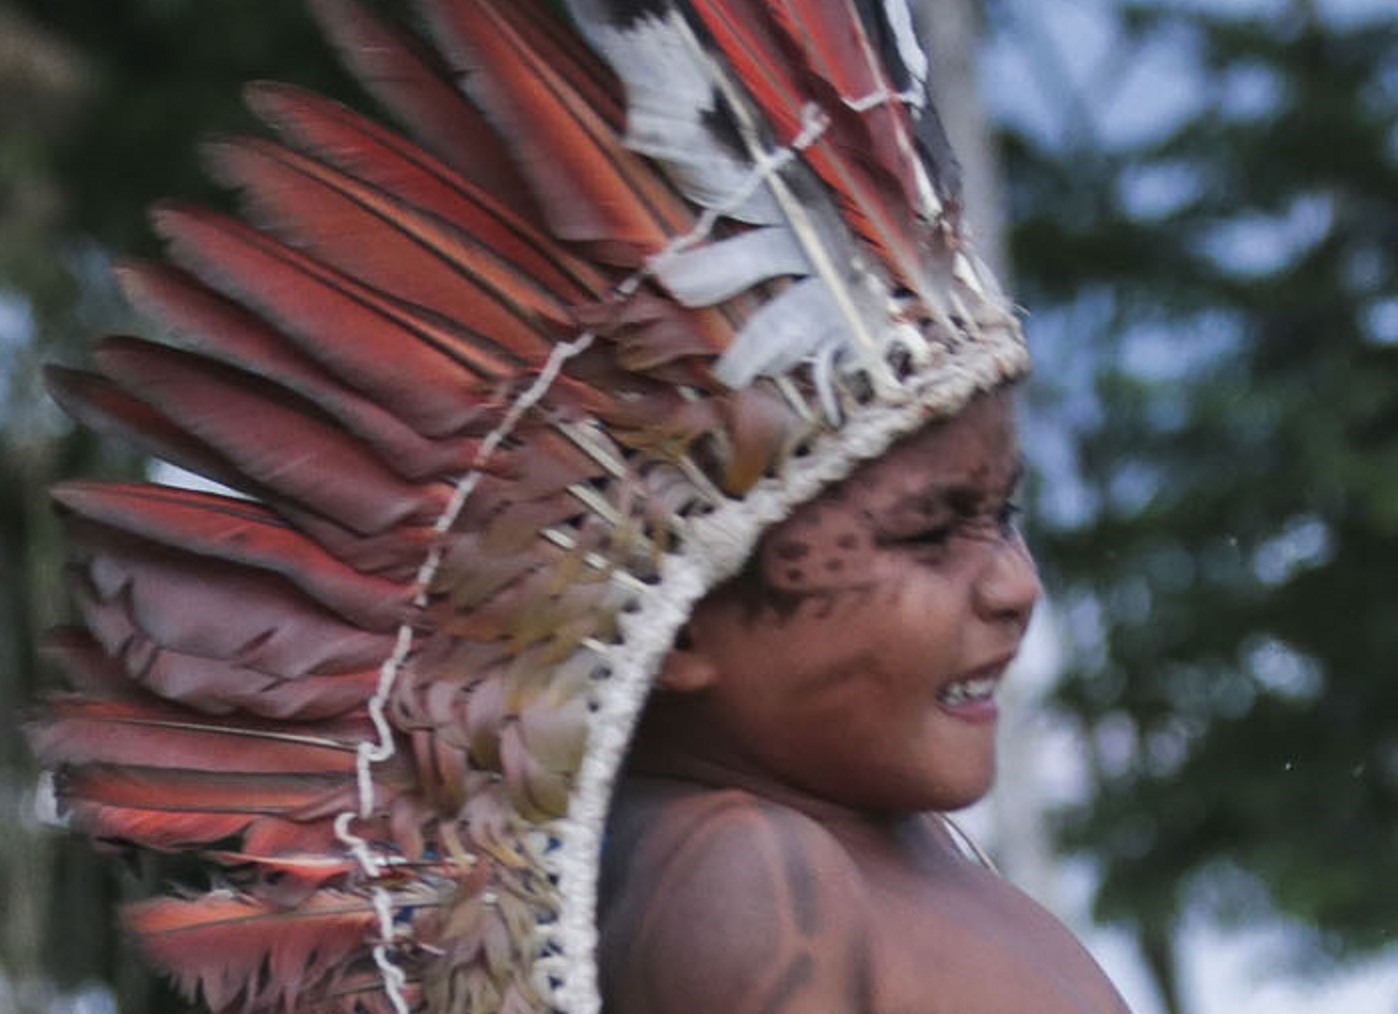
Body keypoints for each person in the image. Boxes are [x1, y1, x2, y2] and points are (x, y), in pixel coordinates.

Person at [599, 389, 1134, 1014]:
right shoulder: (746, 870)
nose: (1019, 585)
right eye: (929, 534)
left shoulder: (910, 840)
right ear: (681, 618)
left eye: (1006, 515)